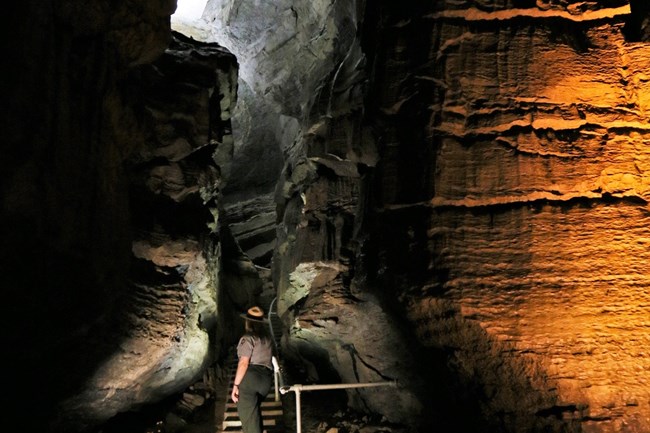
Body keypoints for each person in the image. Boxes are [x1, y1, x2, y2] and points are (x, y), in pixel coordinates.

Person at [231, 306, 274, 433]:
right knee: (254, 415)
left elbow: (243, 363)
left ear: (247, 322)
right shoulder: (268, 339)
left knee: (249, 419)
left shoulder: (248, 338)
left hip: (251, 379)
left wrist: (236, 385)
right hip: (266, 380)